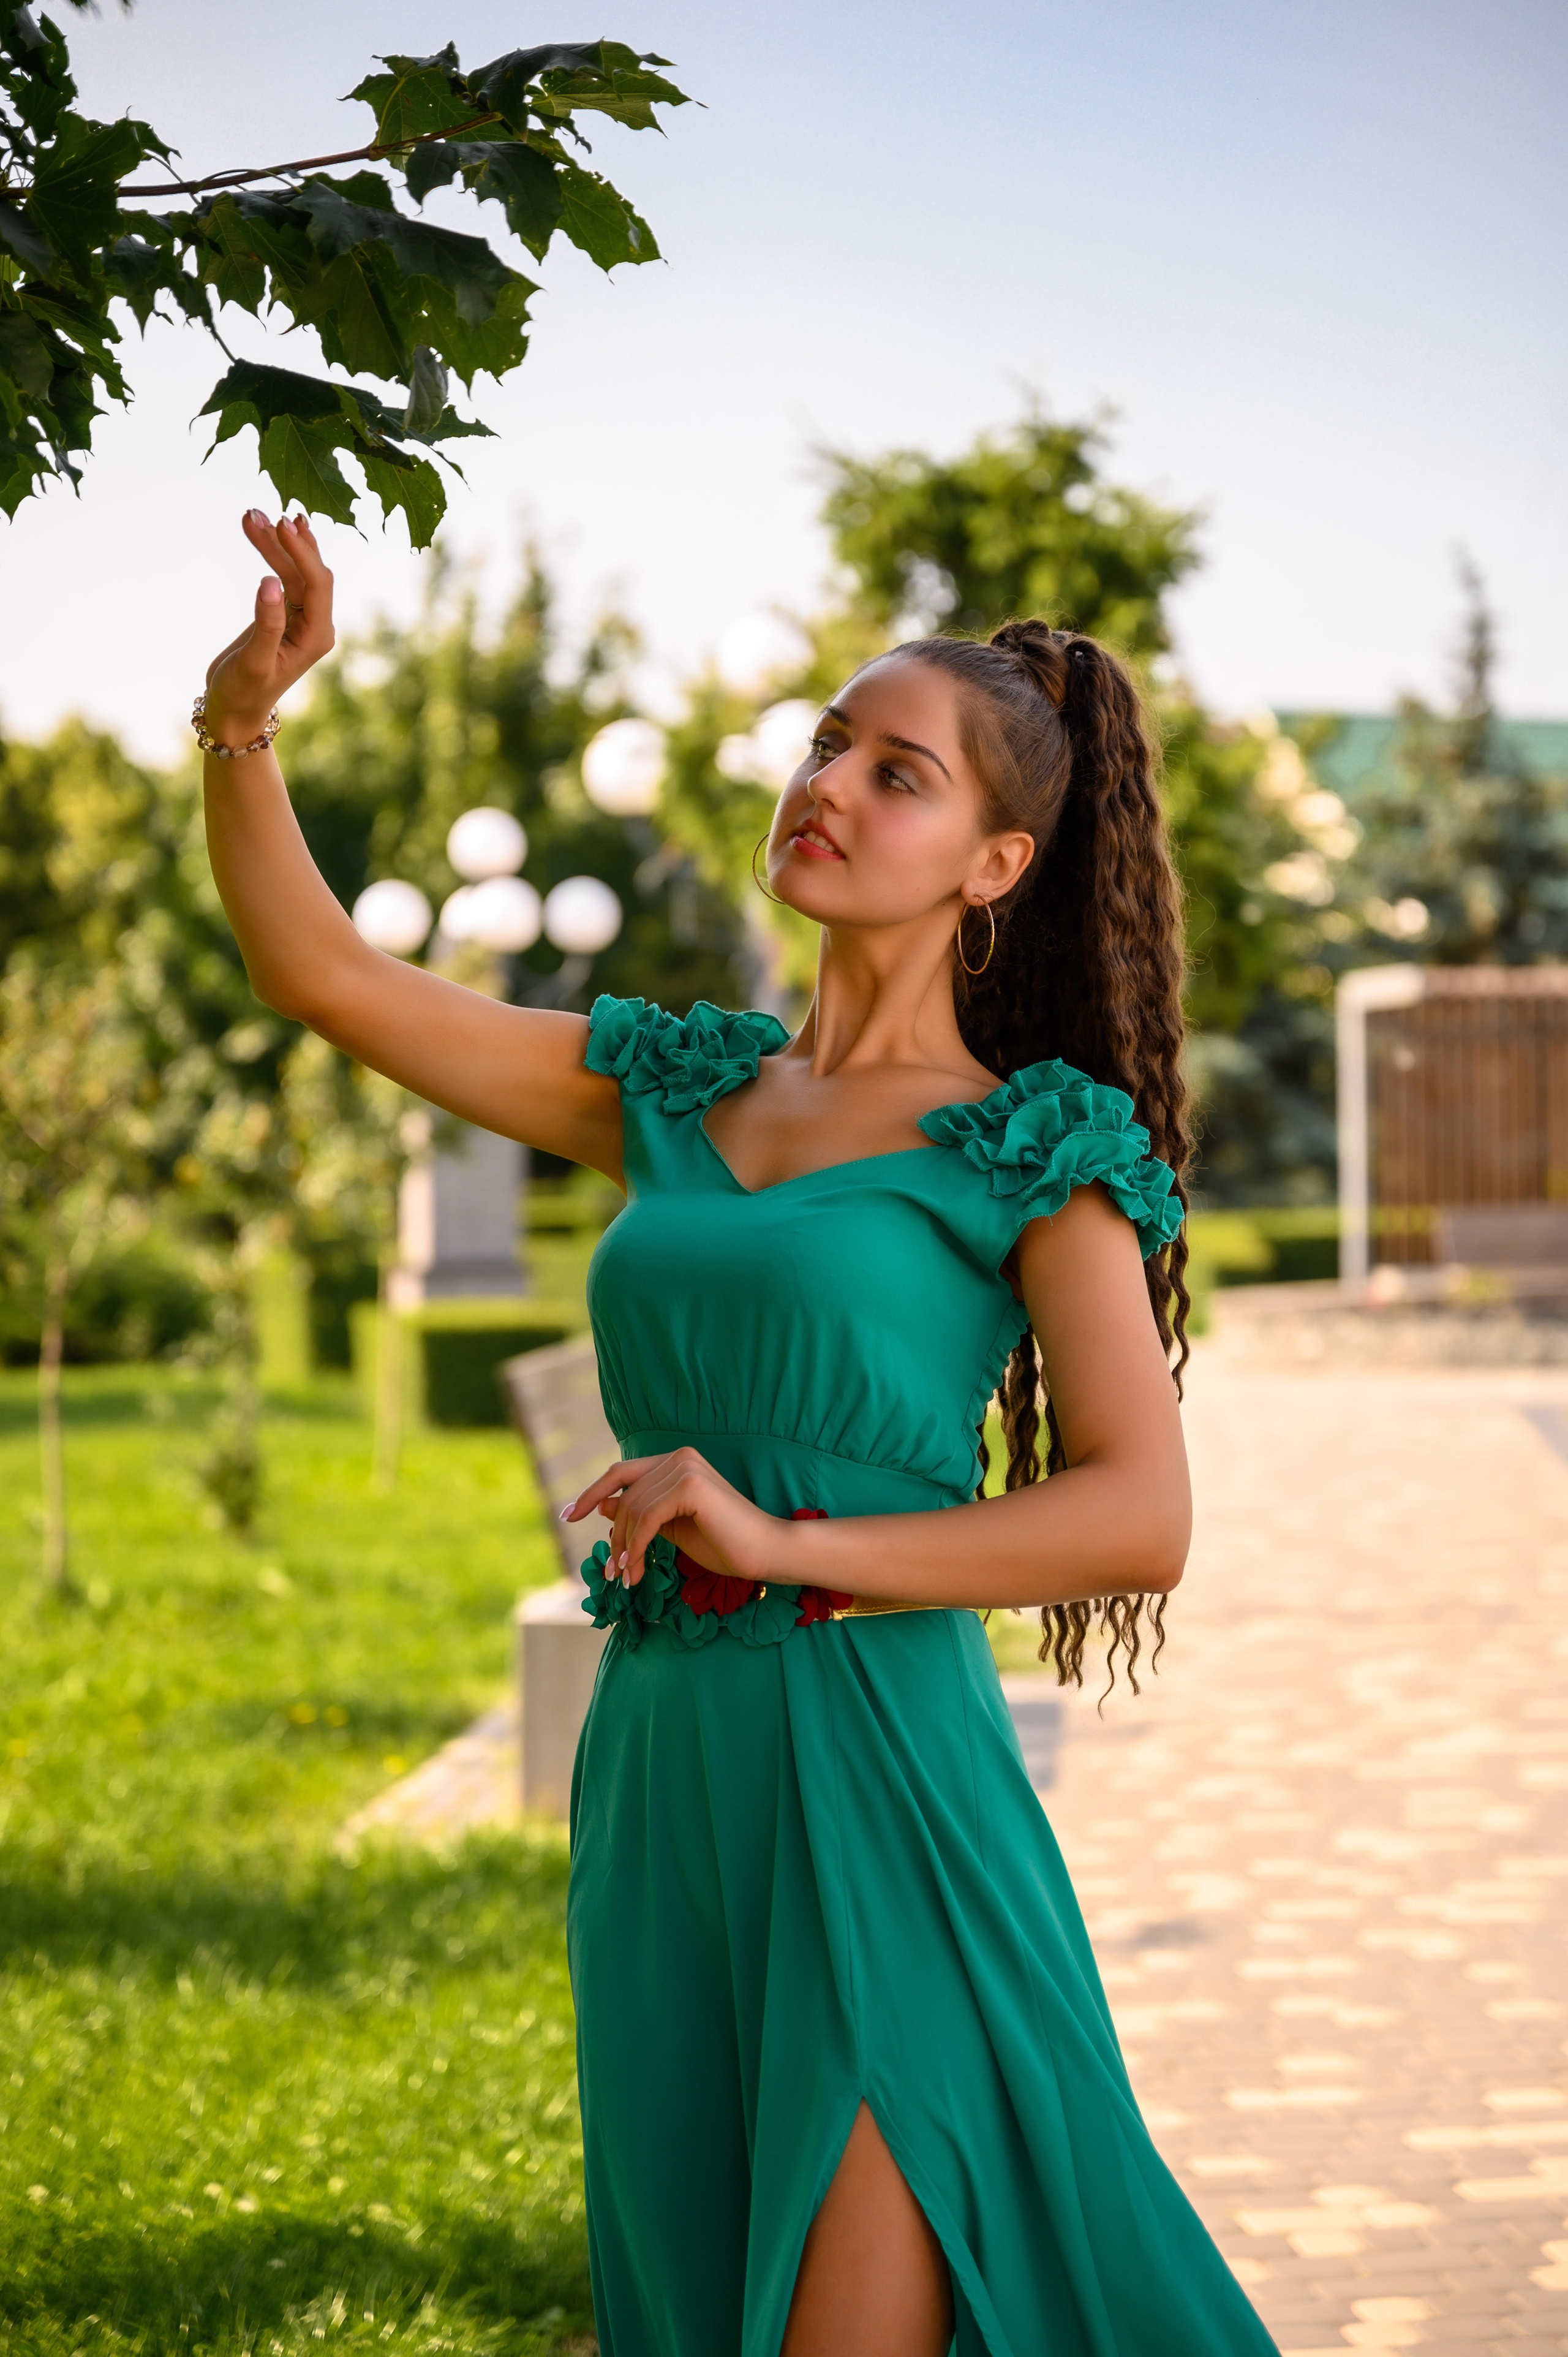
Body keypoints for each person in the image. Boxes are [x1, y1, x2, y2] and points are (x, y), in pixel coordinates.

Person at [202, 509, 1279, 2357]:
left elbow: (1136, 1516)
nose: (829, 785)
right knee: (697, 2299)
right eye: (823, 743)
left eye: (897, 771)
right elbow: (334, 981)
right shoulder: (673, 1086)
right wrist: (242, 725)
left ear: (997, 862)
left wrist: (789, 1546)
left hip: (884, 1784)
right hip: (669, 1778)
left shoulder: (1032, 1145)